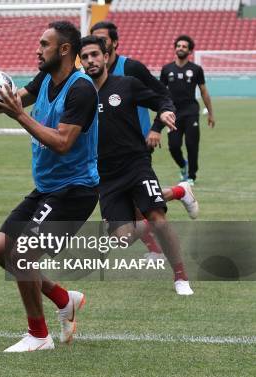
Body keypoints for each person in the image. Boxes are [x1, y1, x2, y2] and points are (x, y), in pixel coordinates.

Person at [0, 21, 99, 352]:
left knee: (22, 254)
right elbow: (13, 100)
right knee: (1, 249)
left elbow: (63, 142)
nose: (37, 49)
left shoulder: (81, 89)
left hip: (74, 191)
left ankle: (39, 335)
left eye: (44, 44)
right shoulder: (45, 78)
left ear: (64, 50)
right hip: (48, 187)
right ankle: (62, 298)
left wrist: (19, 116)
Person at [79, 35, 195, 295]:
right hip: (105, 176)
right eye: (85, 57)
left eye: (95, 54)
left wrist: (164, 112)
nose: (90, 60)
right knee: (123, 237)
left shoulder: (126, 85)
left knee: (159, 218)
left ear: (106, 56)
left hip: (136, 165)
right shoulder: (80, 94)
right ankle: (179, 191)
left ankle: (180, 277)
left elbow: (161, 99)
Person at [91, 21, 175, 259]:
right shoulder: (88, 76)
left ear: (114, 44)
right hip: (106, 154)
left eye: (103, 40)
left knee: (143, 204)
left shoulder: (132, 68)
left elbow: (162, 96)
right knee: (133, 209)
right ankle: (179, 192)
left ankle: (157, 252)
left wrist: (157, 128)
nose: (98, 44)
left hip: (137, 144)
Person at [158, 35, 215, 185]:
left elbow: (204, 92)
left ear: (189, 50)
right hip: (173, 113)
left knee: (192, 145)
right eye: (178, 46)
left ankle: (191, 176)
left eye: (184, 46)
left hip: (191, 112)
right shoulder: (166, 69)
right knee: (174, 146)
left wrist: (210, 113)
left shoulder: (196, 69)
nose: (180, 48)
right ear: (175, 48)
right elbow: (160, 92)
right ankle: (183, 166)